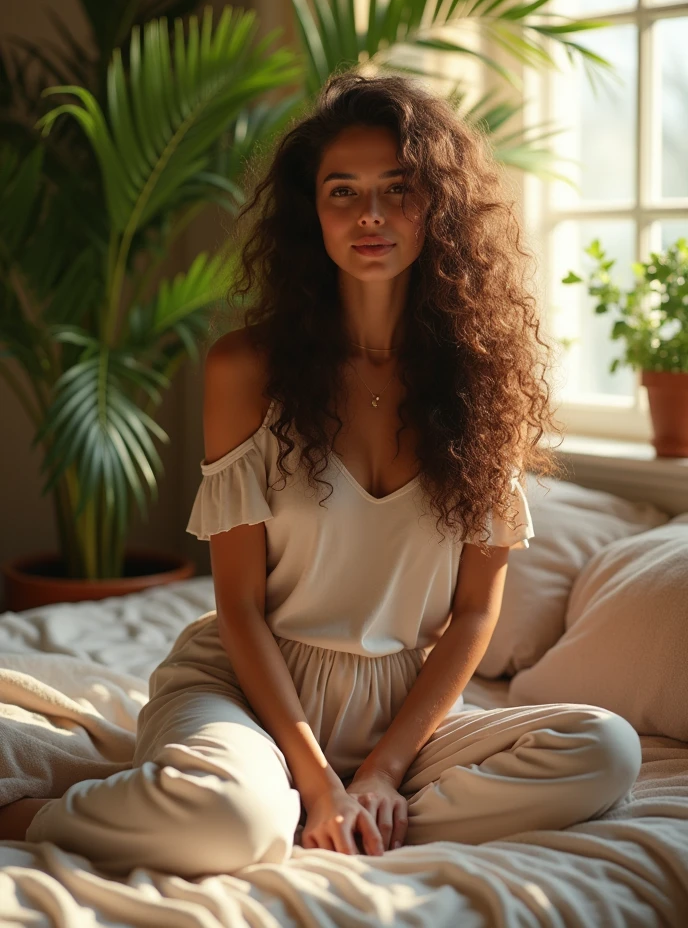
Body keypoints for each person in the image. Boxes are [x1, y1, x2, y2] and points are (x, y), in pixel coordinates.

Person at [23, 72, 642, 878]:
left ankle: (351, 816)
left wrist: (382, 770)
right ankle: (47, 809)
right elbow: (238, 606)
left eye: (399, 188)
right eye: (342, 191)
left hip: (399, 714)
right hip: (249, 684)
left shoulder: (489, 384)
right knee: (230, 825)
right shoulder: (248, 369)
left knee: (607, 749)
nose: (371, 215)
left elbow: (473, 614)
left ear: (439, 207)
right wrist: (314, 776)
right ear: (310, 213)